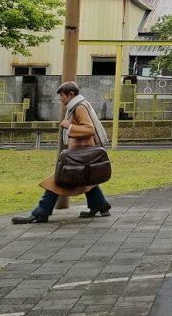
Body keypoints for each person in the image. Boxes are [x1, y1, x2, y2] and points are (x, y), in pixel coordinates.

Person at [12, 82, 112, 224]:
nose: (61, 100)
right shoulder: (77, 106)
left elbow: (89, 129)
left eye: (62, 97)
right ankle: (100, 204)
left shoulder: (79, 107)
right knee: (84, 178)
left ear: (70, 94)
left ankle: (42, 211)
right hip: (81, 154)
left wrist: (69, 127)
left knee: (58, 179)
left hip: (79, 155)